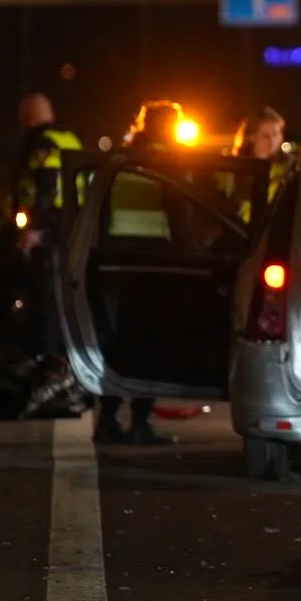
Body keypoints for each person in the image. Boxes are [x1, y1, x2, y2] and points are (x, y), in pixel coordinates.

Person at [89, 105, 179, 446]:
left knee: (120, 342)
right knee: (151, 344)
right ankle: (140, 422)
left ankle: (107, 420)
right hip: (157, 261)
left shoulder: (122, 158)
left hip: (118, 260)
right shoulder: (168, 161)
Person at [11, 92, 83, 364]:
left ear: (28, 117)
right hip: (71, 229)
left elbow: (46, 189)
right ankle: (61, 361)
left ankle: (47, 360)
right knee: (61, 299)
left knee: (45, 301)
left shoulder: (41, 142)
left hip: (47, 233)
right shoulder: (69, 139)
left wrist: (36, 231)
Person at [228, 107, 291, 220]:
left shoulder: (288, 170)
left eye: (275, 134)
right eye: (265, 136)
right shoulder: (233, 170)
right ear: (251, 137)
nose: (272, 142)